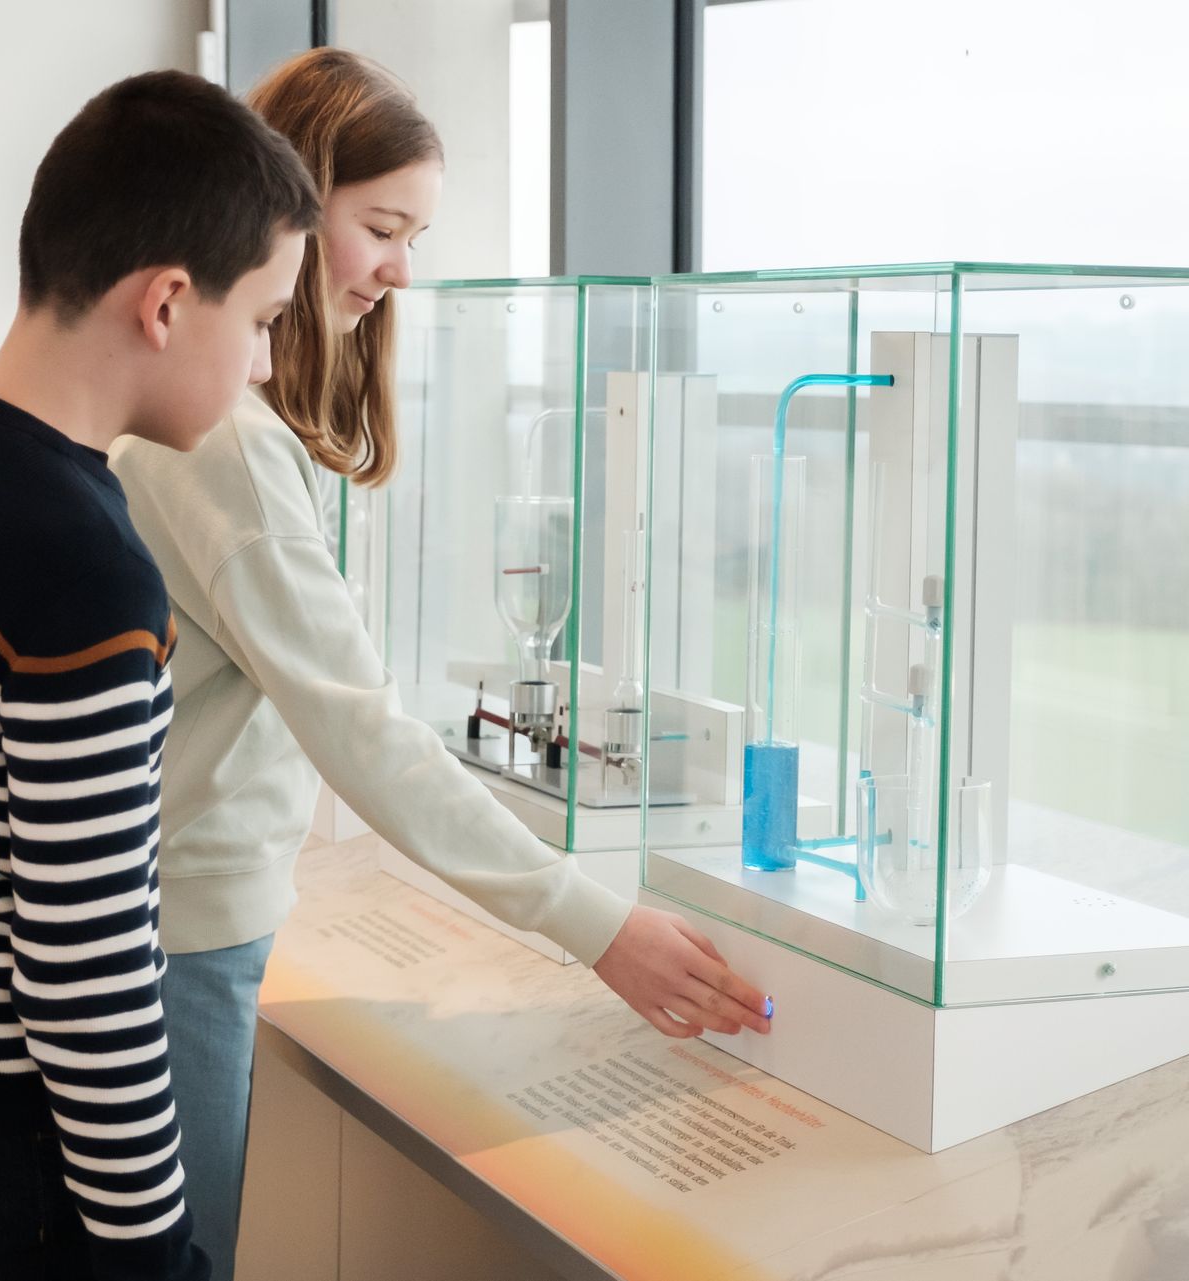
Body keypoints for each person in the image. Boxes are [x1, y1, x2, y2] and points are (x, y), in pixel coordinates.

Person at [111, 48, 772, 1281]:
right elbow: (362, 732)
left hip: (195, 926)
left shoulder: (255, 440)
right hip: (181, 946)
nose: (403, 270)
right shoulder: (229, 452)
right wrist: (599, 926)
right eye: (381, 228)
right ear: (293, 210)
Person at [0, 70, 319, 1281]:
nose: (260, 366)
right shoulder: (84, 563)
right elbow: (84, 978)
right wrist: (152, 1254)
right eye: (261, 321)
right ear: (167, 303)